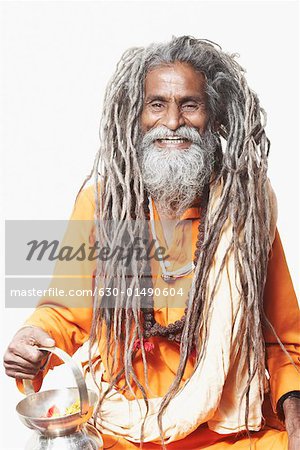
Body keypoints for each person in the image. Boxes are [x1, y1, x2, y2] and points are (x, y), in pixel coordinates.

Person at [4, 36, 300, 449]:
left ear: (214, 118)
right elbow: (64, 314)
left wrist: (295, 420)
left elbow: (283, 341)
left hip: (226, 433)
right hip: (122, 429)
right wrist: (31, 337)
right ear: (136, 116)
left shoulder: (243, 214)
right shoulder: (109, 206)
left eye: (190, 105)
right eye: (157, 104)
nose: (173, 121)